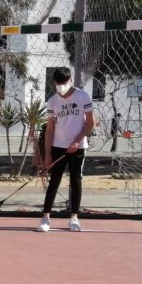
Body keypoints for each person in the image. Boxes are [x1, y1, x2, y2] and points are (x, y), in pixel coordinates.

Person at [37, 67, 95, 232]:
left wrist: (77, 141)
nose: (62, 86)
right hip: (58, 146)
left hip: (78, 147)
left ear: (70, 81)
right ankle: (45, 218)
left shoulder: (83, 96)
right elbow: (49, 129)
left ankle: (74, 218)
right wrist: (47, 154)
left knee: (75, 181)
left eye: (65, 82)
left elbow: (90, 123)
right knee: (54, 181)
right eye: (59, 83)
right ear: (55, 83)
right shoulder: (52, 101)